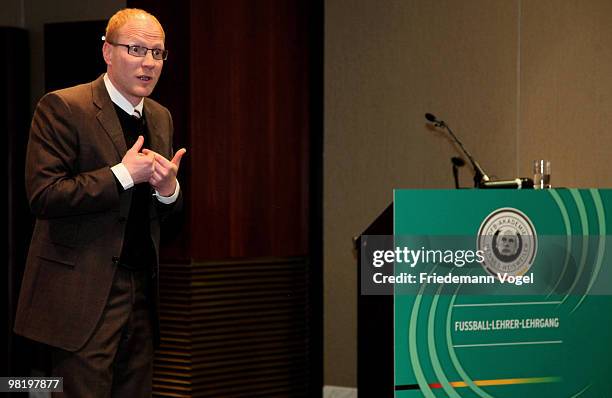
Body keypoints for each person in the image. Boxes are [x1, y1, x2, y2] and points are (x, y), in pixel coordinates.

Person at [13, 8, 185, 397]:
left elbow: (163, 220)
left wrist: (168, 191)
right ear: (108, 52)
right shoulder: (63, 107)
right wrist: (122, 175)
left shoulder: (160, 117)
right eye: (136, 49)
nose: (148, 63)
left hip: (141, 294)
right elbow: (44, 195)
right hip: (82, 296)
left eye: (157, 54)